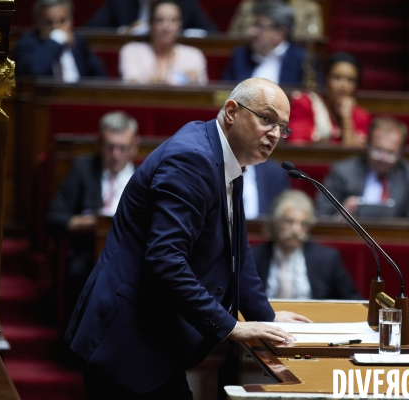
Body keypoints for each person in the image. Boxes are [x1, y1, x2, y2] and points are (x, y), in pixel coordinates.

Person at [64, 78, 310, 398]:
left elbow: (237, 251)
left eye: (282, 127)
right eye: (266, 119)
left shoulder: (230, 159)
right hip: (125, 339)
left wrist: (266, 315)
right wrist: (230, 325)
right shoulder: (192, 160)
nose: (275, 134)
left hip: (149, 338)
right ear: (232, 112)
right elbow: (165, 261)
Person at [45, 112, 140, 320]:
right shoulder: (83, 169)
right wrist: (90, 223)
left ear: (134, 146)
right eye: (109, 147)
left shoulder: (144, 175)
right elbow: (54, 217)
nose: (115, 155)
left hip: (133, 259)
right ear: (99, 143)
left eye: (122, 148)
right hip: (88, 257)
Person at [252, 190, 362, 300]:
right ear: (276, 222)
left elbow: (353, 300)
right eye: (289, 222)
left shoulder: (327, 259)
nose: (296, 230)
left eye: (303, 224)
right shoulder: (254, 257)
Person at [315, 117, 409, 218]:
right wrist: (341, 215)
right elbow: (322, 216)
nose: (383, 158)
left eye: (391, 153)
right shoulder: (343, 172)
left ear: (401, 153)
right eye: (377, 150)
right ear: (367, 146)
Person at [287, 52, 371, 146]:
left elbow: (353, 156)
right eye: (337, 78)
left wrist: (346, 119)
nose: (343, 85)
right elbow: (296, 145)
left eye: (350, 80)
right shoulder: (305, 104)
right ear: (326, 79)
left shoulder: (360, 115)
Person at [13, 0, 106, 81]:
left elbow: (101, 75)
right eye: (49, 22)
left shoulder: (78, 42)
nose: (56, 28)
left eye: (62, 21)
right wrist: (56, 41)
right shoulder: (27, 44)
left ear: (71, 21)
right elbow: (32, 72)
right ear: (38, 23)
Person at [119, 0, 208, 85]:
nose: (166, 27)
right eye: (160, 20)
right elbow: (130, 86)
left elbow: (204, 94)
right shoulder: (132, 51)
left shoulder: (193, 55)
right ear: (151, 24)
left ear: (180, 24)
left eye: (173, 20)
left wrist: (194, 81)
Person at [222, 2, 308, 86]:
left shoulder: (302, 60)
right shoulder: (241, 56)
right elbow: (224, 94)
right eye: (253, 25)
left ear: (280, 33)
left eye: (260, 26)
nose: (251, 32)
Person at [85, 0, 216, 34]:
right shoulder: (120, 3)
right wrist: (124, 31)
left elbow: (212, 33)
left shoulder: (185, 3)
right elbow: (90, 31)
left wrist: (176, 31)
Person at [229, 0, 323, 40]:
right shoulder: (247, 7)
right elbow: (231, 41)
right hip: (250, 59)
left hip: (290, 62)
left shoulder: (309, 9)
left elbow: (313, 44)